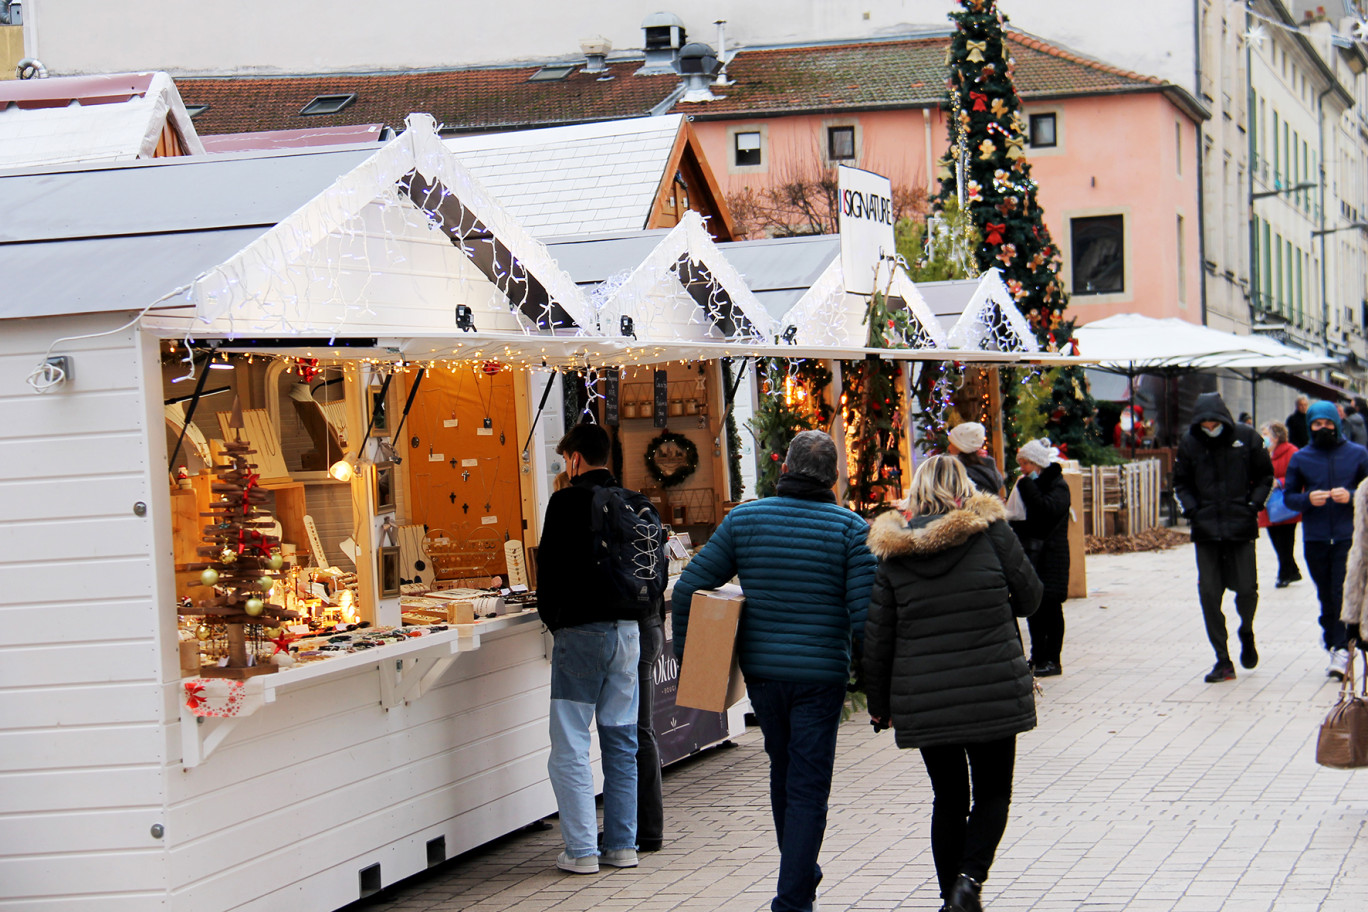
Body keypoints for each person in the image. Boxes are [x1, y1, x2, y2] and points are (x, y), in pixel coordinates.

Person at [673, 430, 876, 912]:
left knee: (784, 772)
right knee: (808, 786)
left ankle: (799, 872)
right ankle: (792, 898)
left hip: (764, 677)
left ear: (783, 469)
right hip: (821, 677)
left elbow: (688, 591)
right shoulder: (850, 529)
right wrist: (876, 688)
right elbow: (867, 617)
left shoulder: (745, 519)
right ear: (833, 479)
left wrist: (693, 664)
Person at [863, 455, 1042, 912]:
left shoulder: (893, 550)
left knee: (948, 797)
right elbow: (1030, 598)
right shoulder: (992, 533)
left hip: (925, 697)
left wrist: (879, 704)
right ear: (964, 488)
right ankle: (968, 883)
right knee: (993, 793)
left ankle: (951, 899)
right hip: (992, 687)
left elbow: (879, 635)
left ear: (916, 492)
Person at [537, 423, 643, 874]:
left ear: (575, 458)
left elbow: (550, 570)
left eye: (564, 460)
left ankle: (581, 851)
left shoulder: (565, 502)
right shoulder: (634, 502)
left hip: (581, 633)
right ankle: (622, 847)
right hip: (630, 633)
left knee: (571, 742)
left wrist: (554, 621)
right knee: (621, 741)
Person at [1173, 392, 1274, 684]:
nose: (1208, 426)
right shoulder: (1190, 442)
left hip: (1240, 529)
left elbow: (1266, 477)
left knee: (1246, 589)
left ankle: (1246, 629)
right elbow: (1180, 481)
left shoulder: (1247, 438)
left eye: (1213, 422)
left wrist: (1254, 504)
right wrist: (1191, 510)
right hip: (1206, 531)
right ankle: (1222, 659)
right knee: (1209, 595)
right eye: (1203, 423)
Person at [1283, 400, 1368, 680]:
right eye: (1317, 424)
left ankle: (1342, 649)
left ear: (1337, 424)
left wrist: (1352, 496)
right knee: (1324, 596)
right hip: (1316, 537)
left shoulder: (1357, 454)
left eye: (1328, 423)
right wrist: (1308, 499)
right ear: (1310, 426)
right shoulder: (1301, 457)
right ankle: (1332, 638)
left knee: (1339, 592)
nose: (1323, 428)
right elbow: (1290, 497)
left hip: (1348, 536)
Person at [1011, 438, 1071, 677]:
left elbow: (1046, 512)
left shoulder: (1058, 485)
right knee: (1035, 607)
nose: (1022, 469)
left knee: (1051, 608)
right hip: (1033, 554)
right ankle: (1038, 656)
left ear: (1037, 463)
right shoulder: (1032, 484)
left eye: (1026, 463)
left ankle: (1053, 659)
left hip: (1052, 555)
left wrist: (1027, 488)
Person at [1258, 421, 1302, 588]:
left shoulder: (1292, 452)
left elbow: (1298, 475)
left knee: (1286, 541)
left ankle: (1283, 575)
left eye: (1266, 434)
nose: (1264, 437)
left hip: (1286, 504)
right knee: (1276, 540)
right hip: (1269, 505)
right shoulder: (1263, 453)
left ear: (1276, 436)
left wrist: (1280, 482)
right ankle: (1293, 570)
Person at [947, 421, 1004, 497]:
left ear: (961, 447)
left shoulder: (964, 475)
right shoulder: (986, 471)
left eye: (951, 443)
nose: (948, 448)